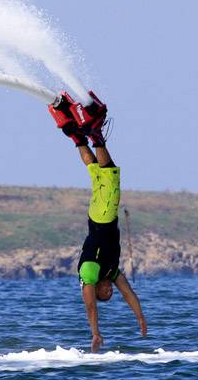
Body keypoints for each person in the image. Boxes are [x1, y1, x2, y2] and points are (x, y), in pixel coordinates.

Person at [49, 90, 148, 352]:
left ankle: (94, 134)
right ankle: (73, 129)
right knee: (96, 171)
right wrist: (139, 316)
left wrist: (95, 333)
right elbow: (129, 293)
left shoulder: (90, 273)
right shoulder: (110, 272)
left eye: (107, 294)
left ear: (98, 288)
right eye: (110, 293)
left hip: (103, 215)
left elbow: (90, 305)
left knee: (109, 174)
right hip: (98, 214)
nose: (111, 293)